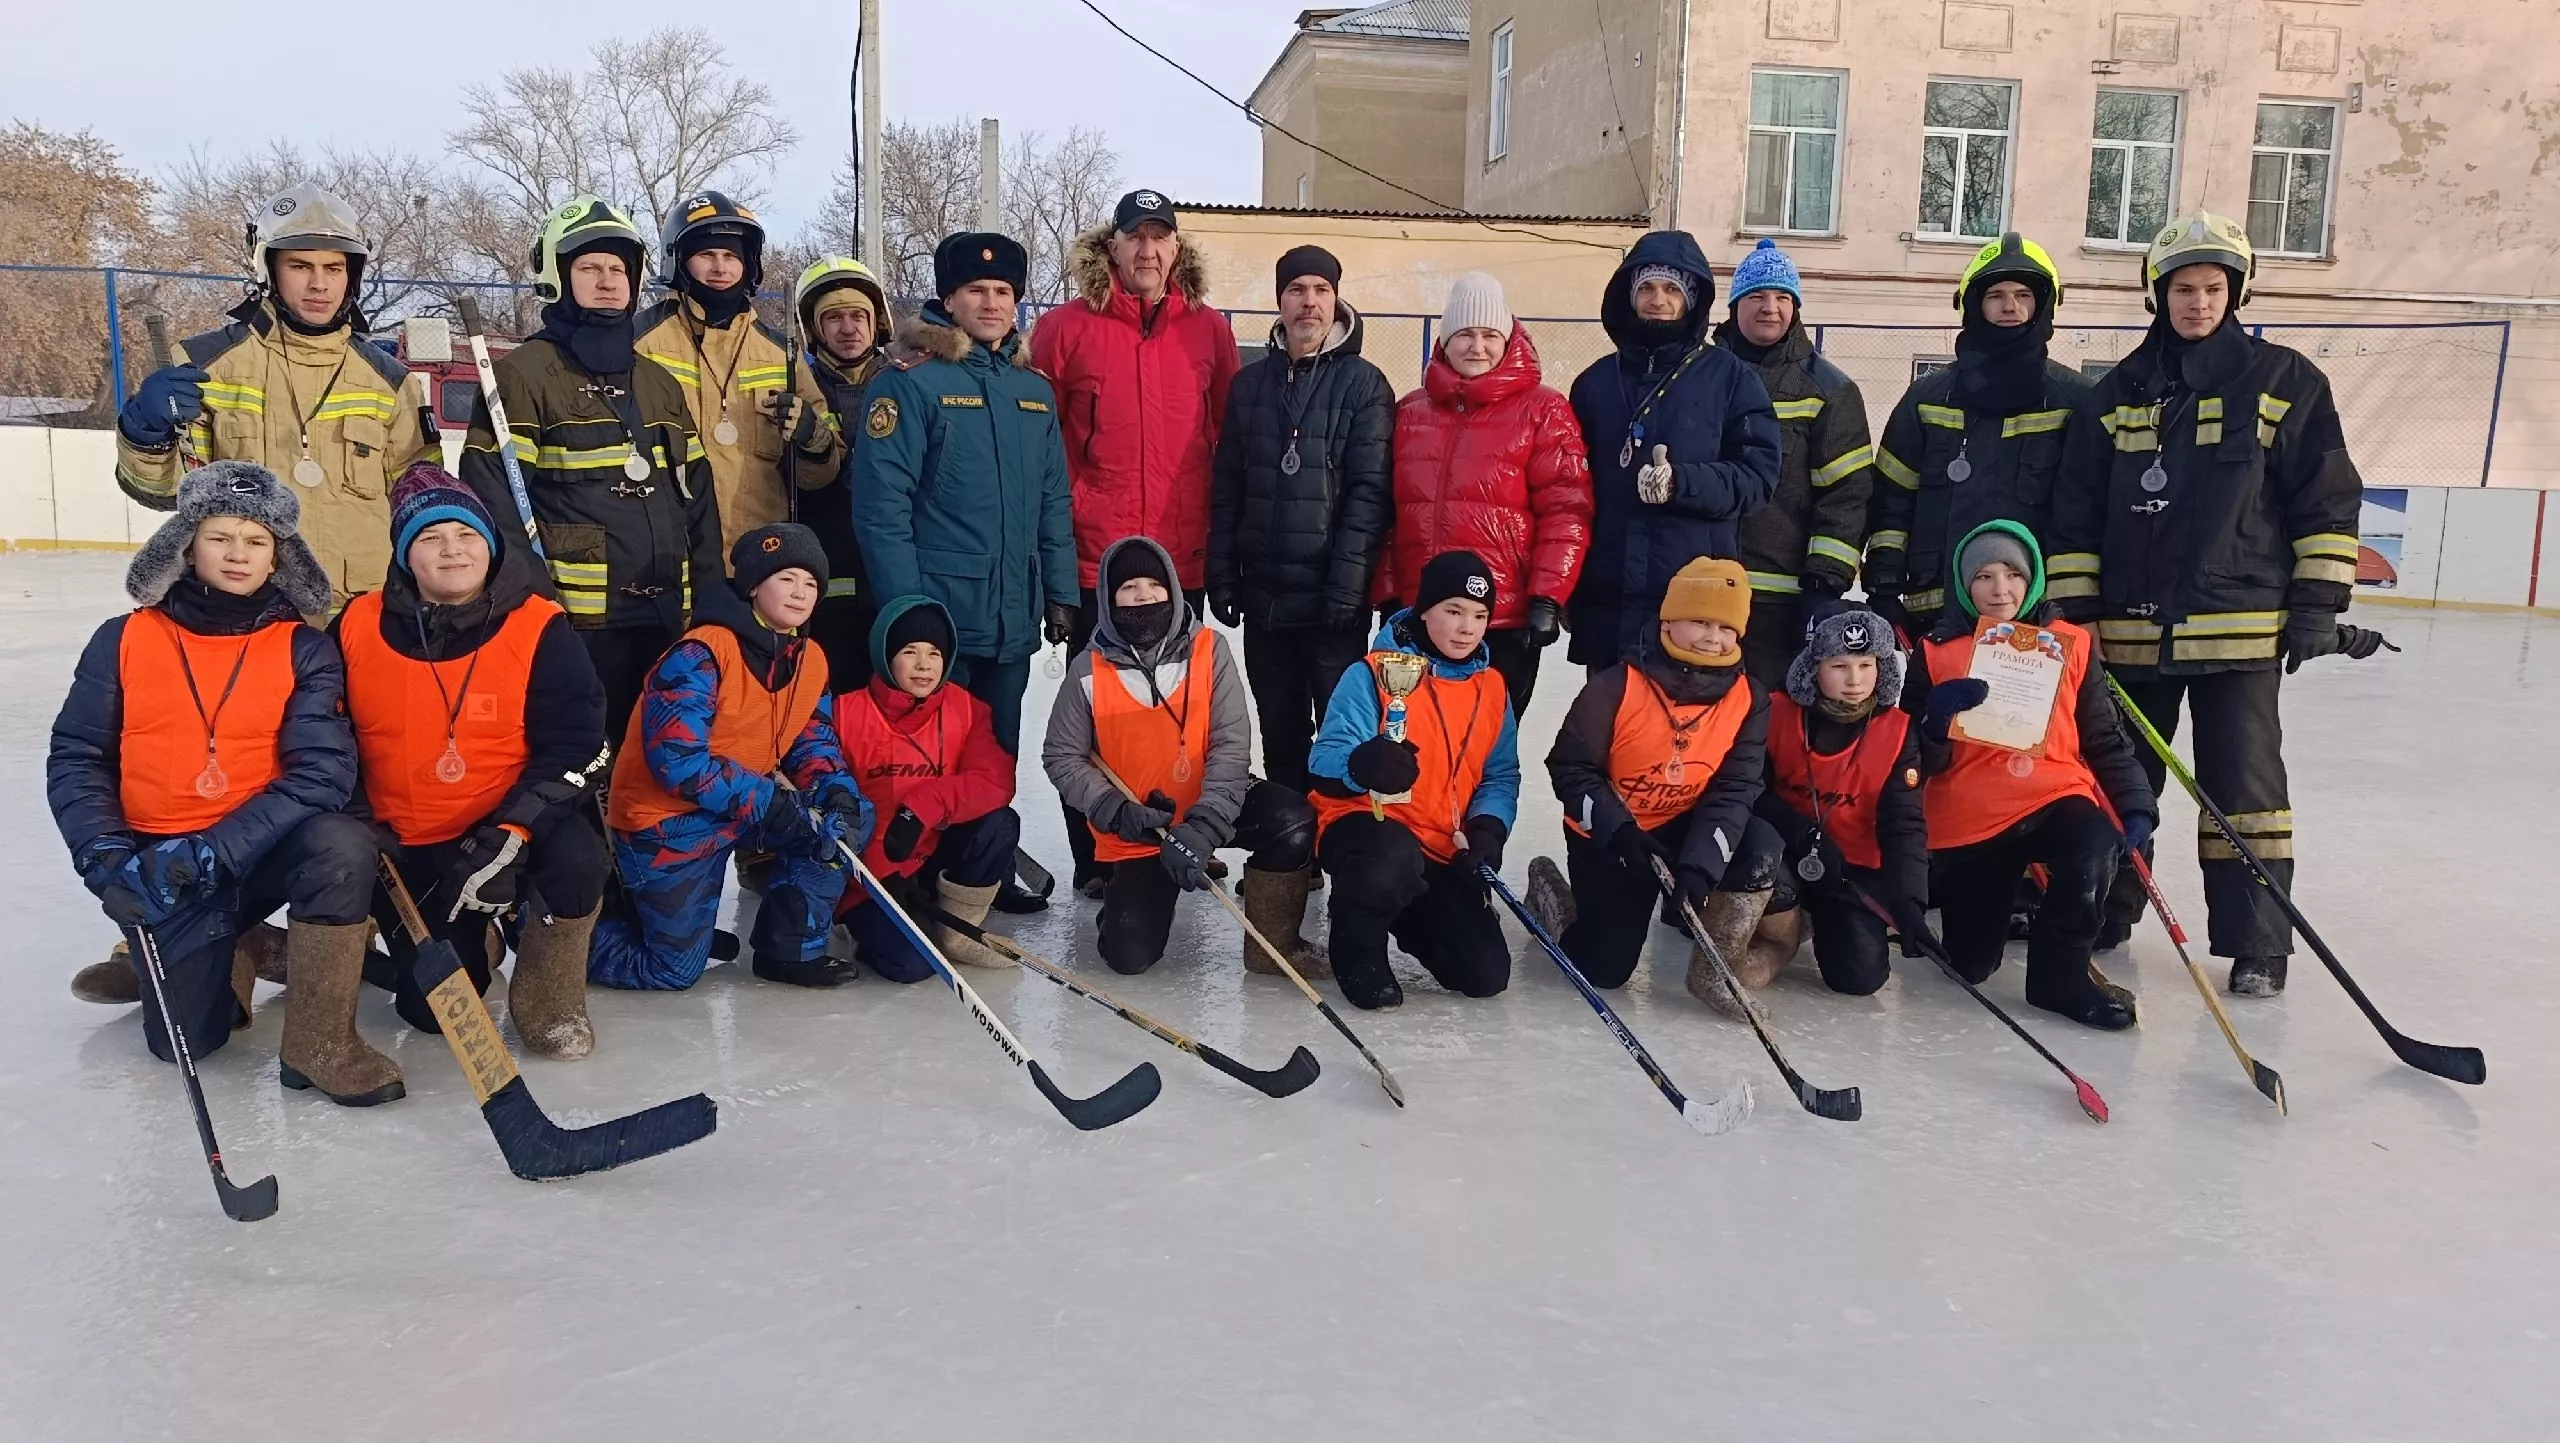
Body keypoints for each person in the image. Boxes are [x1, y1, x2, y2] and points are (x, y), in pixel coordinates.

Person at [2048, 212, 2382, 996]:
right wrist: (2079, 613)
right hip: (2129, 638)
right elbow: (2075, 512)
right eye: (2183, 289)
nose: (2197, 302)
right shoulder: (2118, 393)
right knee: (2118, 782)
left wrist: (2316, 606)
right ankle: (2105, 912)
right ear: (2157, 295)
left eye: (2211, 288)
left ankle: (2257, 943)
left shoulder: (2285, 382)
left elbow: (2326, 502)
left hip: (2239, 638)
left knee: (2246, 797)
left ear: (2235, 294)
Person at [48, 461, 398, 1106]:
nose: (239, 554)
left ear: (277, 557)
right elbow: (78, 756)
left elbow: (320, 775)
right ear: (187, 544)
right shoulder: (122, 639)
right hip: (162, 861)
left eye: (257, 540)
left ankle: (320, 1042)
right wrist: (105, 858)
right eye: (221, 537)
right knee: (187, 1040)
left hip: (257, 851)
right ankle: (242, 943)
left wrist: (213, 851)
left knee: (341, 844)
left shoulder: (303, 648)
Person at [334, 464, 610, 1057]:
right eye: (430, 537)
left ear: (490, 544)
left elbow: (579, 743)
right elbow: (325, 734)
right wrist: (359, 818)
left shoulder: (540, 625)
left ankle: (549, 997)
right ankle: (480, 939)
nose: (452, 550)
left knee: (580, 856)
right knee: (429, 1014)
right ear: (406, 555)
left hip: (512, 824)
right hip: (409, 841)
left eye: (466, 534)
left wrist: (513, 833)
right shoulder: (356, 623)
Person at [1030, 190, 1240, 898]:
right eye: (1135, 237)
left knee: (1180, 713)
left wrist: (1220, 555)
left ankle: (1184, 835)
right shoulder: (1065, 328)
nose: (1148, 250)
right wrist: (1056, 569)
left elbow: (1225, 439)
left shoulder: (1207, 332)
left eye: (1160, 237)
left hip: (1180, 563)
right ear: (1111, 246)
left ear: (1176, 249)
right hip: (1097, 560)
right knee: (1099, 717)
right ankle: (1098, 858)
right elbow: (1043, 447)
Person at [458, 195, 721, 743]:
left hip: (667, 616)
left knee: (661, 756)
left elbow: (696, 498)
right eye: (589, 268)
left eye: (618, 270)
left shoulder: (658, 382)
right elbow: (493, 502)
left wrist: (709, 596)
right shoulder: (521, 377)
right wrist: (533, 600)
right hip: (575, 620)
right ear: (558, 278)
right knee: (582, 757)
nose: (607, 281)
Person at [115, 182, 435, 611]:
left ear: (352, 275)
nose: (319, 284)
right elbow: (165, 493)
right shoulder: (205, 366)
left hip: (361, 617)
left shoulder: (392, 382)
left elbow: (423, 507)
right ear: (268, 270)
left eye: (334, 268)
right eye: (300, 266)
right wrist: (145, 435)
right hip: (247, 616)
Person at [588, 524, 874, 992]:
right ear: (753, 586)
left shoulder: (810, 658)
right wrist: (771, 803)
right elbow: (679, 764)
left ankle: (789, 950)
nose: (800, 593)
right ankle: (564, 934)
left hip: (742, 806)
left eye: (811, 583)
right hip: (668, 820)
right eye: (786, 579)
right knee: (672, 970)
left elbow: (813, 742)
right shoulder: (700, 653)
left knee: (848, 816)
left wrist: (834, 789)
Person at [1906, 521, 2156, 1031]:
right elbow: (1907, 759)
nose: (2000, 589)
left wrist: (2135, 804)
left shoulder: (2071, 645)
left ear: (2033, 578)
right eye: (1984, 576)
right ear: (1964, 584)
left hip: (2053, 794)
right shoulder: (1936, 651)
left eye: (2013, 574)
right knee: (1969, 964)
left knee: (2093, 843)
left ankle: (2059, 977)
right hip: (1971, 814)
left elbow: (2104, 737)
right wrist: (1934, 722)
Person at [1043, 538, 1323, 976]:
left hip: (1210, 807)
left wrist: (1205, 825)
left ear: (1172, 589)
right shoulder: (1087, 669)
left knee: (1291, 820)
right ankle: (1125, 901)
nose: (1144, 595)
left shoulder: (1210, 649)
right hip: (1142, 829)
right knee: (1128, 957)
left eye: (1154, 584)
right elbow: (1062, 756)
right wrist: (1115, 810)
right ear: (1109, 599)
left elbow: (1230, 743)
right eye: (1129, 587)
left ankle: (1274, 945)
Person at [853, 231, 1078, 764]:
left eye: (1003, 291)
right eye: (976, 290)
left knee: (996, 762)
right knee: (928, 765)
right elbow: (882, 509)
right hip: (938, 625)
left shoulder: (1034, 390)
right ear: (949, 299)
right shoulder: (910, 384)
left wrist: (1060, 592)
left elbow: (1053, 501)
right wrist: (908, 612)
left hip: (1013, 617)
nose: (991, 303)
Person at [1528, 558, 1777, 1015]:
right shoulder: (1615, 685)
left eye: (1726, 627)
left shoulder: (1750, 698)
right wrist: (1619, 832)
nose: (1713, 637)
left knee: (1760, 845)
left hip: (1685, 824)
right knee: (1604, 969)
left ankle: (1714, 970)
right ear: (1668, 620)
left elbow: (1736, 787)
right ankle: (1548, 891)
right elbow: (1570, 768)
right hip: (1613, 830)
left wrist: (1700, 866)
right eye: (1700, 621)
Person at [1207, 244, 1396, 802]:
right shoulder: (1249, 386)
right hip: (1267, 603)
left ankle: (1337, 836)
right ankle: (1290, 839)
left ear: (1336, 301)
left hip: (1330, 603)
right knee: (1281, 736)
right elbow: (1228, 486)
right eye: (1296, 290)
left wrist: (1347, 587)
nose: (1308, 302)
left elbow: (1370, 494)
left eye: (1320, 290)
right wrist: (1223, 573)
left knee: (1341, 737)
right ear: (1280, 301)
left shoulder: (1365, 384)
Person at [1307, 550, 1521, 1010]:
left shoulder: (1492, 687)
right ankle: (1357, 945)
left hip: (1440, 843)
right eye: (1454, 611)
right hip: (1368, 828)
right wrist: (1361, 764)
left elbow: (1501, 774)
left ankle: (1404, 909)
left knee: (1484, 974)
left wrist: (1488, 827)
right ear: (1424, 610)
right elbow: (1323, 761)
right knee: (1390, 859)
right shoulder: (1371, 672)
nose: (1467, 628)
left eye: (1480, 616)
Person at [1568, 231, 1781, 669]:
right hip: (1610, 600)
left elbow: (1758, 477)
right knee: (1609, 711)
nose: (1658, 300)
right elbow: (1568, 490)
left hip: (1695, 603)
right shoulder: (1595, 382)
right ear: (1628, 295)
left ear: (1691, 299)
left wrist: (1682, 482)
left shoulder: (1731, 379)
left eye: (1671, 288)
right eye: (1646, 287)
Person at [1864, 233, 2092, 638]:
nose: (2010, 307)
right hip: (1937, 612)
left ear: (2044, 304)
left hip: (2035, 618)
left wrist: (2076, 605)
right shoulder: (1927, 398)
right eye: (1996, 295)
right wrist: (1884, 583)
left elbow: (2085, 513)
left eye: (2023, 295)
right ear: (1972, 304)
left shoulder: (2074, 400)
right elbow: (1891, 500)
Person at [1385, 271, 1592, 714]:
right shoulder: (1412, 411)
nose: (1477, 347)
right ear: (1445, 341)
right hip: (1423, 612)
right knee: (1414, 734)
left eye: (1489, 335)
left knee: (1489, 740)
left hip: (1501, 617)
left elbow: (1566, 510)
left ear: (1507, 339)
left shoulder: (1544, 410)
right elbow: (1390, 510)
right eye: (1464, 334)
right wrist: (1388, 589)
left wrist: (1546, 597)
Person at [636, 191, 841, 560]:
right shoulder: (641, 342)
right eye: (707, 255)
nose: (721, 267)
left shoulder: (782, 354)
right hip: (667, 559)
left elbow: (820, 477)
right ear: (678, 260)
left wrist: (813, 439)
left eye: (731, 256)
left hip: (760, 563)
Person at [833, 595, 1023, 981]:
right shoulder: (844, 713)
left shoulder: (966, 708)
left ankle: (956, 929)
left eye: (934, 653)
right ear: (886, 655)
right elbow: (831, 807)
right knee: (912, 965)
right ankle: (862, 930)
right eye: (910, 652)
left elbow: (995, 780)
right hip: (871, 873)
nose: (924, 665)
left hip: (934, 854)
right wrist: (878, 871)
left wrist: (925, 804)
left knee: (999, 823)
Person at [1713, 239, 1876, 687]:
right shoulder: (1701, 375)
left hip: (1781, 601)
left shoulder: (1828, 389)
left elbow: (1847, 496)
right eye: (1756, 296)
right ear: (1734, 305)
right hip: (1704, 592)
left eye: (1782, 297)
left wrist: (1822, 584)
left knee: (1771, 719)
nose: (1770, 308)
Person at [1746, 605, 1928, 1001]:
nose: (1855, 680)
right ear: (1814, 667)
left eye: (1866, 665)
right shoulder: (1774, 711)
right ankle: (1777, 920)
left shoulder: (1898, 731)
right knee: (1755, 853)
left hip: (1848, 871)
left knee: (1859, 979)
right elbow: (1749, 791)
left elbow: (1904, 823)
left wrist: (1909, 901)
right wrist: (1801, 834)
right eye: (1839, 666)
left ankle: (1813, 921)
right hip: (1783, 854)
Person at [792, 256, 894, 691]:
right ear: (814, 329)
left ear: (877, 322)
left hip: (893, 582)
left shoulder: (907, 384)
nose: (848, 328)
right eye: (833, 318)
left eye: (858, 316)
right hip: (825, 586)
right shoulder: (799, 388)